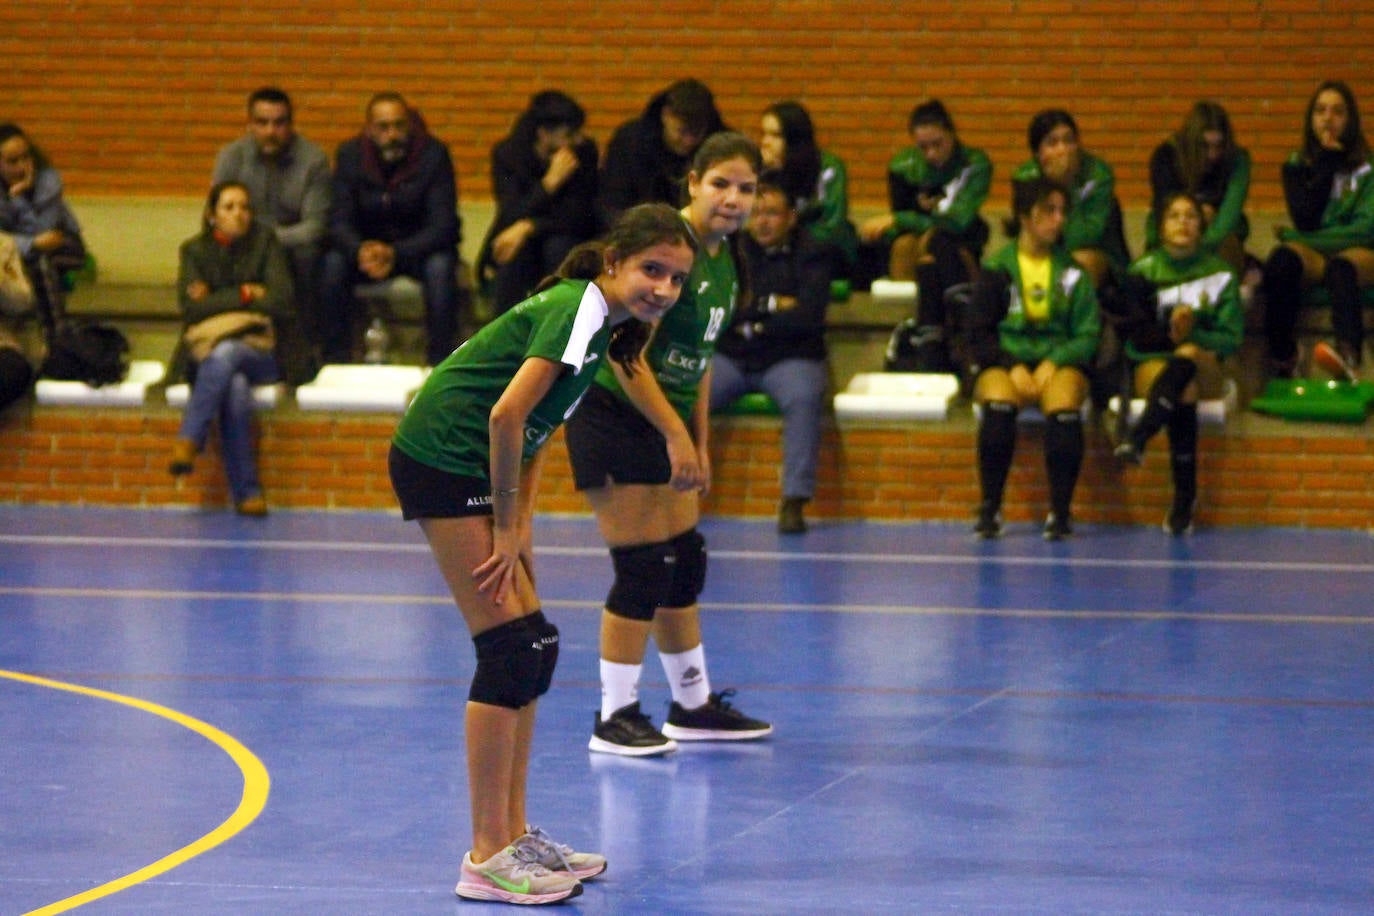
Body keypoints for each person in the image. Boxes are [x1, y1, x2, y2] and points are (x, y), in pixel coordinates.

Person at [389, 203, 697, 904]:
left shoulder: (607, 332)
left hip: (478, 466)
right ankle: (485, 856)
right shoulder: (578, 306)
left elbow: (537, 433)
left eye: (677, 280)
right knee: (507, 650)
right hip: (443, 457)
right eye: (652, 270)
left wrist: (519, 526)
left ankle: (515, 834)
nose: (663, 289)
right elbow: (505, 414)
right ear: (613, 261)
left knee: (535, 646)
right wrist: (502, 525)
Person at [566, 132, 773, 757]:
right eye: (721, 184)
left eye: (747, 188)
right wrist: (676, 435)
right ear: (692, 183)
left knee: (683, 560)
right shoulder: (669, 250)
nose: (733, 199)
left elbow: (701, 360)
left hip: (664, 420)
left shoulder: (724, 260)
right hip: (613, 412)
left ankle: (691, 704)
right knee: (644, 567)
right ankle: (615, 715)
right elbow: (630, 358)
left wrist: (700, 441)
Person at [966, 176, 1100, 541]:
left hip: (1057, 361)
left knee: (1064, 401)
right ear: (1024, 216)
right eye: (1048, 211)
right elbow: (979, 332)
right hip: (1009, 359)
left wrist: (1055, 361)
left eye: (1062, 212)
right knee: (998, 400)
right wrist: (1012, 365)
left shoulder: (1074, 272)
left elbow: (1088, 333)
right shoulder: (998, 269)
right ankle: (990, 507)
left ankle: (1060, 511)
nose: (1058, 220)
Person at [1109, 193, 1244, 535]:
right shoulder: (1142, 272)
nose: (1183, 222)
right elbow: (1136, 339)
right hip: (1155, 362)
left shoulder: (1220, 273)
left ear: (1202, 225)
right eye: (1174, 215)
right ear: (1159, 225)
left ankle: (1138, 438)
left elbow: (1231, 338)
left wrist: (1193, 333)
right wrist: (1171, 336)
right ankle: (1185, 497)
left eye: (1191, 216)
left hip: (1206, 363)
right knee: (1183, 390)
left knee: (1188, 359)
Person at [711, 171, 836, 535]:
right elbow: (722, 308)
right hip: (733, 356)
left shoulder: (815, 253)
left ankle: (794, 501)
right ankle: (669, 489)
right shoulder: (729, 250)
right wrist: (771, 305)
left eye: (772, 214)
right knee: (687, 389)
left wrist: (752, 318)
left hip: (791, 358)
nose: (762, 222)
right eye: (756, 213)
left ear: (791, 217)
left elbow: (809, 317)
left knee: (804, 397)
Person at [167, 181, 294, 517]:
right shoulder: (194, 251)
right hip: (207, 355)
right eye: (229, 207)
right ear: (212, 215)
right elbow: (191, 309)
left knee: (228, 354)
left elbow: (281, 300)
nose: (239, 214)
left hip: (262, 352)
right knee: (234, 385)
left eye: (245, 207)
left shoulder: (265, 243)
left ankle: (189, 438)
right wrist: (246, 295)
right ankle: (247, 493)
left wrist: (215, 299)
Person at [320, 92, 460, 366]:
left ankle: (440, 364)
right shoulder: (350, 156)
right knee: (332, 264)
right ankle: (334, 361)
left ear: (409, 125)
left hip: (416, 252)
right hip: (366, 253)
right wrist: (360, 250)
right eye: (383, 127)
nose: (392, 134)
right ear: (370, 129)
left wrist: (395, 253)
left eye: (399, 125)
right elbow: (338, 220)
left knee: (441, 267)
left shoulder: (433, 155)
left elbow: (443, 225)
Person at [212, 87, 331, 380]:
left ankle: (304, 354)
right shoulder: (231, 157)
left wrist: (268, 241)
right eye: (262, 123)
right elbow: (218, 213)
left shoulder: (313, 160)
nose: (270, 131)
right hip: (244, 247)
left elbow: (315, 226)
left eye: (279, 123)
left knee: (309, 256)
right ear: (250, 124)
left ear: (291, 124)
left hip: (290, 250)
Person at [1261, 80, 1374, 377]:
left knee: (1341, 267)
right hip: (1315, 250)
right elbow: (1306, 219)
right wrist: (1326, 163)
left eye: (1338, 112)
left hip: (1359, 252)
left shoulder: (1369, 168)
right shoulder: (1297, 164)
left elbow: (1364, 230)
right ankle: (1284, 355)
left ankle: (1349, 355)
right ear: (1310, 119)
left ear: (1350, 120)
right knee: (1282, 262)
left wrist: (1298, 238)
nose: (1328, 118)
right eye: (1320, 111)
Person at [859, 99, 992, 329]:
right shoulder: (903, 166)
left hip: (959, 239)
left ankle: (949, 324)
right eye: (923, 147)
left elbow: (957, 221)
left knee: (936, 245)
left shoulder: (974, 164)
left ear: (952, 134)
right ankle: (907, 325)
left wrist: (900, 219)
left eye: (938, 144)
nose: (931, 153)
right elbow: (901, 222)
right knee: (904, 246)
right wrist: (901, 222)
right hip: (914, 243)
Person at [477, 90, 599, 315]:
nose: (578, 140)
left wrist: (529, 226)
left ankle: (557, 333)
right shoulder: (509, 154)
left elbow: (581, 215)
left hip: (564, 236)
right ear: (544, 134)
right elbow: (511, 212)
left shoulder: (584, 153)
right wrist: (548, 184)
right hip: (526, 243)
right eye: (570, 134)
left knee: (558, 248)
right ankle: (506, 339)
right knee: (513, 252)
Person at [1011, 109, 1130, 289]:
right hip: (1043, 249)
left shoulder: (1098, 175)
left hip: (1099, 253)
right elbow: (1028, 233)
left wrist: (1065, 186)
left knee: (1079, 264)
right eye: (1052, 143)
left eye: (1069, 140)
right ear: (1038, 153)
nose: (1063, 150)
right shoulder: (1026, 178)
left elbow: (1083, 237)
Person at [596, 78, 726, 227]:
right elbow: (613, 202)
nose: (689, 141)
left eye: (697, 133)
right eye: (682, 132)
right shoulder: (631, 142)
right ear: (665, 115)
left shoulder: (719, 148)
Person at [1146, 101, 1252, 273]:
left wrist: (1200, 249)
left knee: (1216, 225)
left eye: (1219, 146)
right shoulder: (1166, 156)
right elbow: (1165, 211)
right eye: (1204, 146)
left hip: (1217, 239)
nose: (1212, 155)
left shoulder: (1237, 160)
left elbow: (1229, 216)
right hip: (1173, 236)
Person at [0, 123, 87, 322]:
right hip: (20, 249)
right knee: (27, 264)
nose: (22, 167)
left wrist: (18, 198)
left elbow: (44, 232)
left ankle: (57, 337)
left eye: (26, 157)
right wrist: (30, 244)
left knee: (40, 263)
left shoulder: (48, 181)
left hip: (63, 243)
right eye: (12, 161)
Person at [758, 100, 859, 270]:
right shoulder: (763, 171)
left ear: (795, 138)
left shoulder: (828, 167)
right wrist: (769, 176)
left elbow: (832, 223)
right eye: (764, 134)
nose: (765, 142)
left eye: (776, 135)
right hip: (777, 244)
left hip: (823, 246)